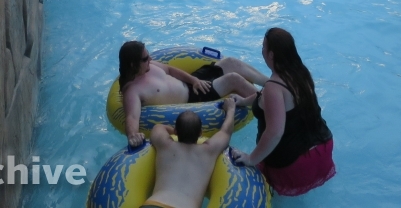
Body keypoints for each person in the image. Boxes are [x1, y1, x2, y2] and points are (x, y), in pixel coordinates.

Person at [229, 29, 335, 197]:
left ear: (271, 54)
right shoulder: (301, 73)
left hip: (295, 163)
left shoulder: (274, 87)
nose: (261, 50)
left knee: (267, 195)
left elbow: (274, 133)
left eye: (263, 46)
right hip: (323, 148)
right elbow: (266, 97)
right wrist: (243, 101)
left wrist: (251, 159)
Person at [118, 41, 268, 148]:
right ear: (132, 65)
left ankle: (270, 84)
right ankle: (268, 102)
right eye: (145, 59)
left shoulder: (150, 66)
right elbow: (131, 117)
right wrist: (133, 135)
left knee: (230, 62)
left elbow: (170, 70)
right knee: (233, 79)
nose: (150, 59)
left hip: (193, 83)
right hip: (193, 98)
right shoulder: (132, 91)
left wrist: (194, 79)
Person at [143, 100, 237, 208]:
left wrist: (174, 132)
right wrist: (231, 109)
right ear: (200, 133)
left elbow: (158, 127)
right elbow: (226, 131)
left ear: (176, 131)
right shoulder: (209, 151)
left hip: (153, 204)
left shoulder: (165, 145)